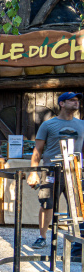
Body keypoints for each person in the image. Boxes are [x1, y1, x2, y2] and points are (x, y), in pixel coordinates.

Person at [26, 92, 84, 249]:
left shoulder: (82, 125)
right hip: (51, 171)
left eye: (77, 101)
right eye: (72, 100)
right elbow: (37, 150)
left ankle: (77, 243)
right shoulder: (48, 125)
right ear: (62, 104)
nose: (76, 103)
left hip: (74, 171)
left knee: (77, 207)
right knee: (47, 204)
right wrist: (33, 172)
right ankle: (42, 237)